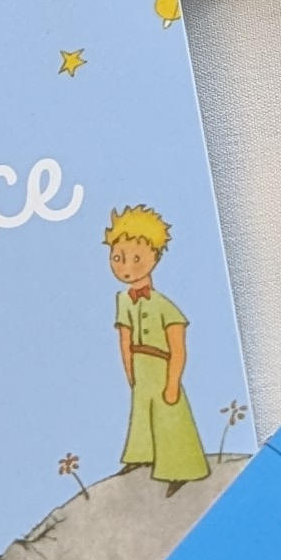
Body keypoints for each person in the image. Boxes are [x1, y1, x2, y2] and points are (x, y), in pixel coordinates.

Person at [104, 206, 211, 488]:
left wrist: (173, 382)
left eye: (136, 258)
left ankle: (181, 469)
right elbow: (125, 340)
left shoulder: (165, 306)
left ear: (155, 256)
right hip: (140, 367)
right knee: (141, 412)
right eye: (117, 258)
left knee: (169, 413)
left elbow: (178, 348)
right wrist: (130, 372)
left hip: (162, 367)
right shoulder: (123, 300)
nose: (126, 266)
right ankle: (141, 455)